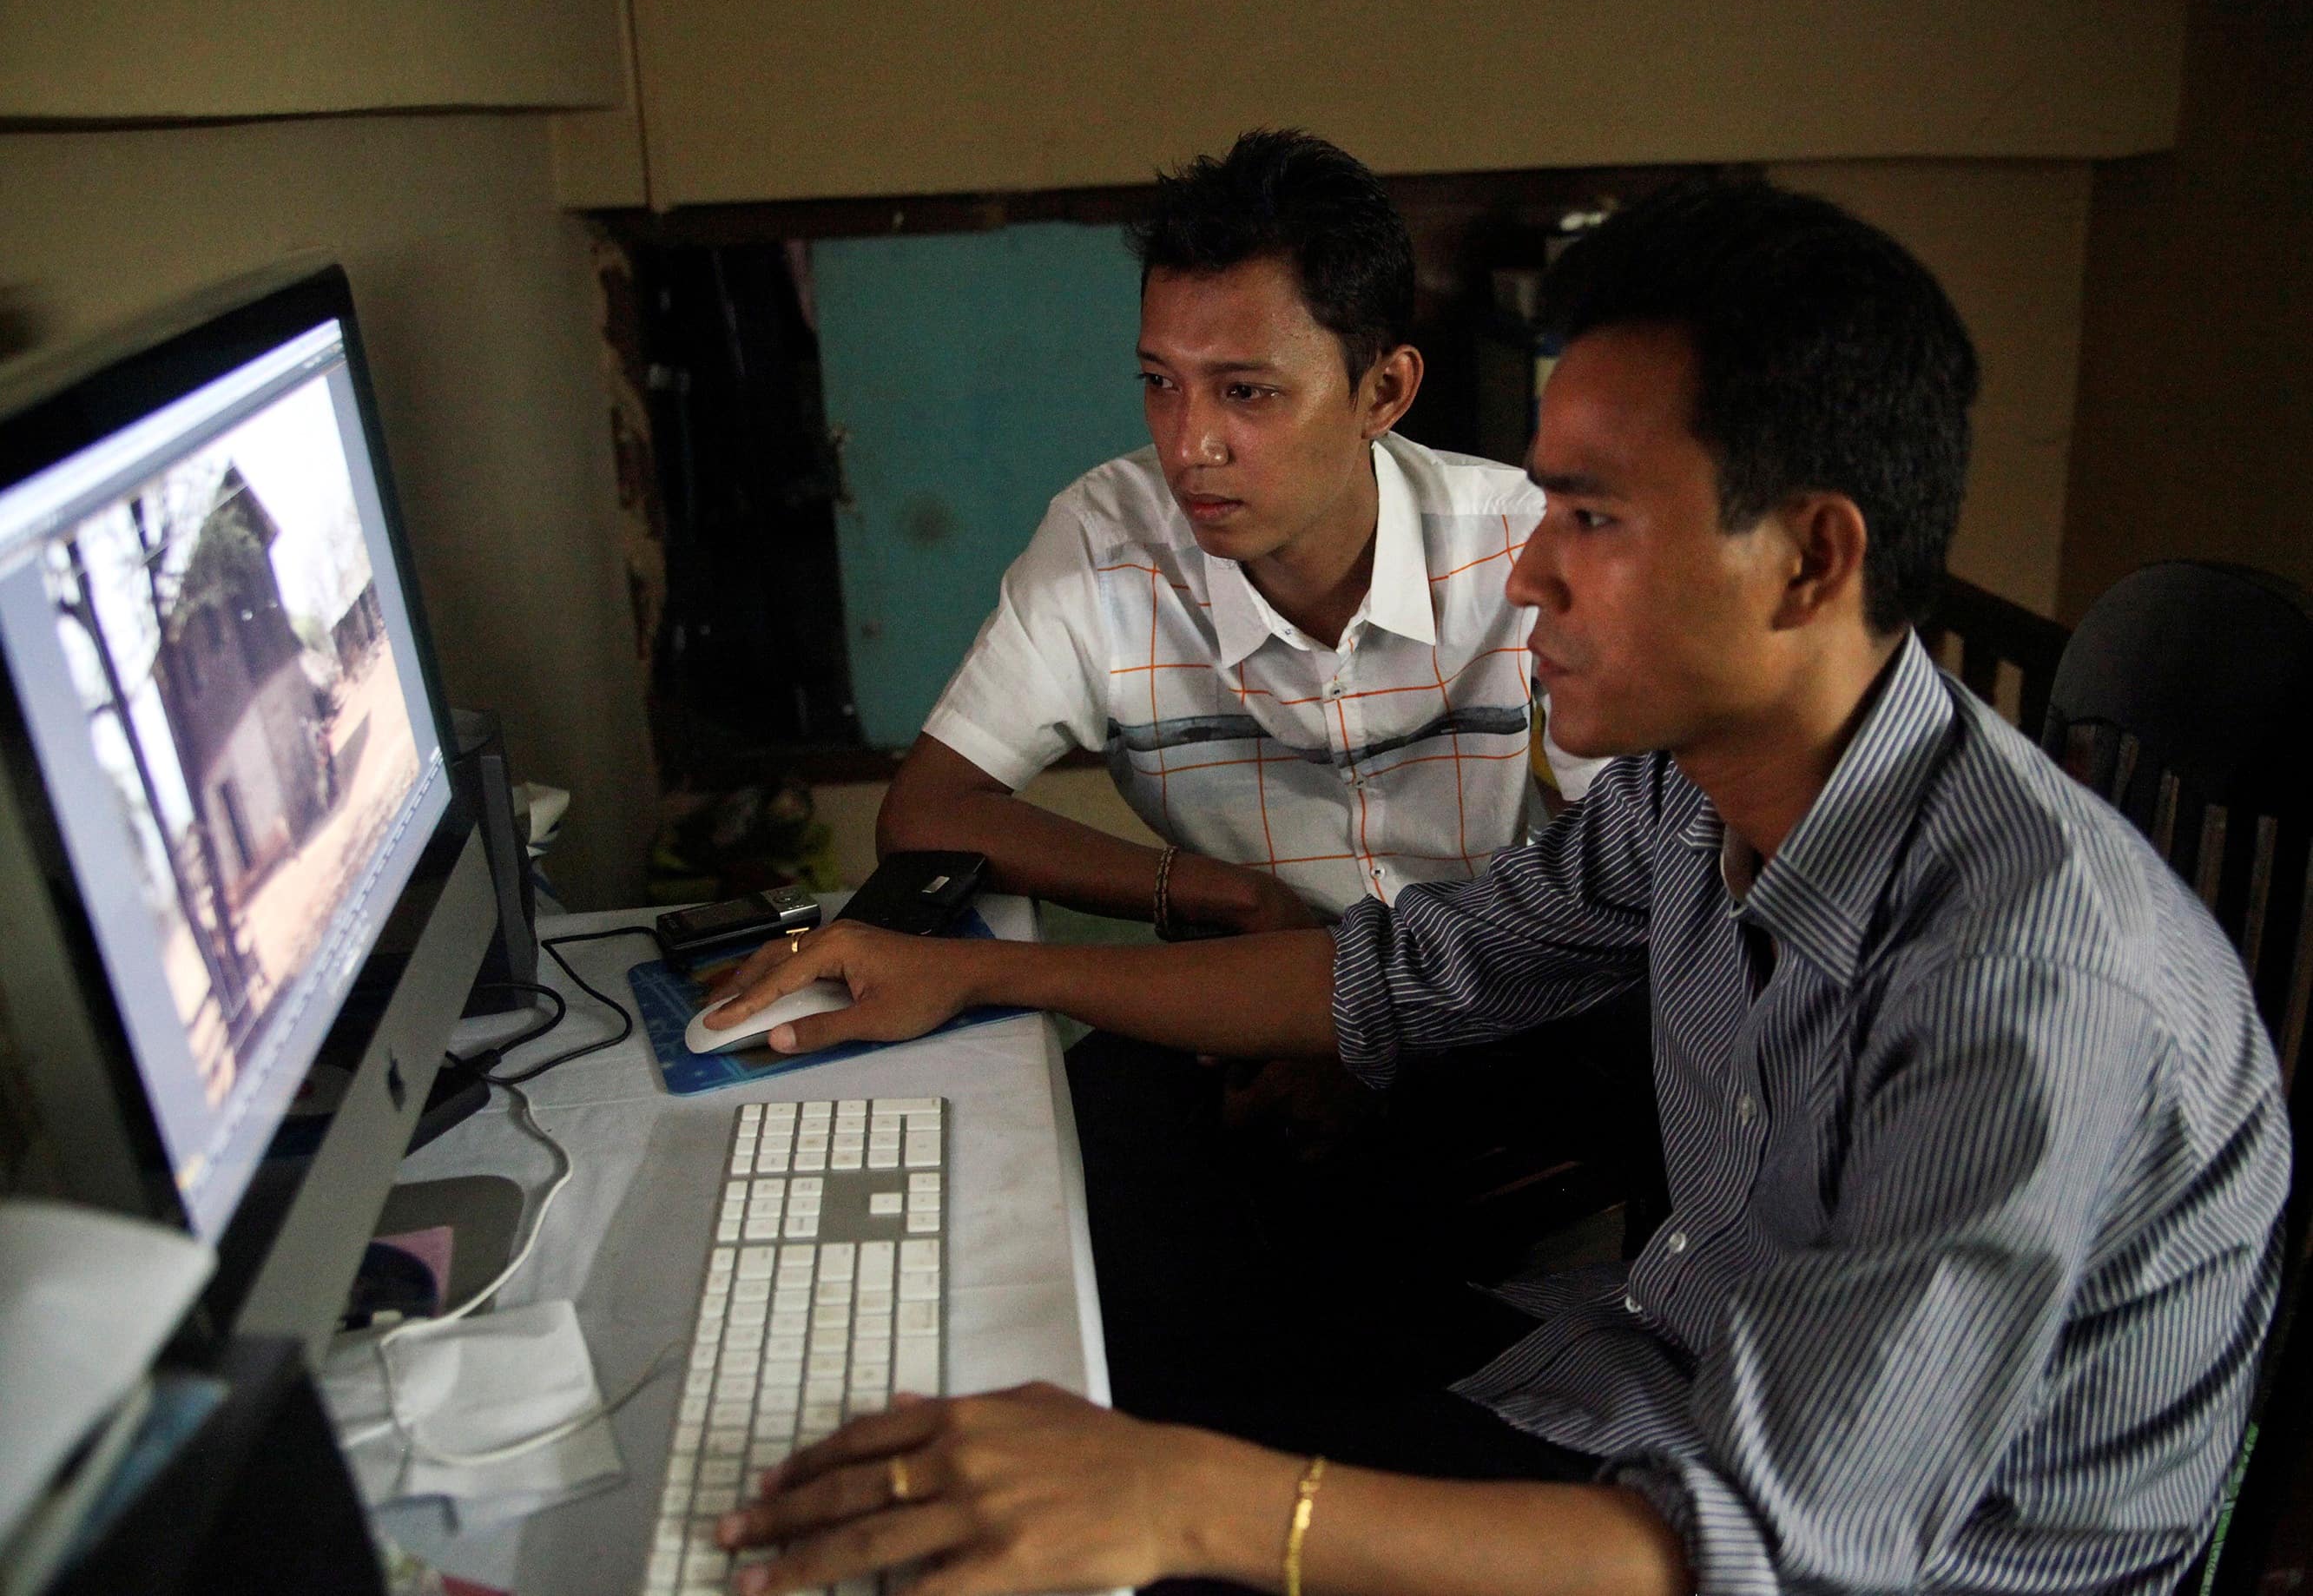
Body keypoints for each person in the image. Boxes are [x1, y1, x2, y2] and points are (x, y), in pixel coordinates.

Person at [704, 179, 2289, 1596]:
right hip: (1656, 1392)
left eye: (1589, 516)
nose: (1522, 572)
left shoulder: (2027, 979)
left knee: (1153, 1495)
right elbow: (1387, 970)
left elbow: (1771, 1546)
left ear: (1808, 562)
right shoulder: (1691, 788)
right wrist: (988, 974)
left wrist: (1194, 1502)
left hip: (1811, 1547)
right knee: (1102, 1404)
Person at [876, 127, 1599, 934]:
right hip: (1238, 1003)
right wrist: (1224, 894)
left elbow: (1619, 856)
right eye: (1159, 382)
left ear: (1384, 393)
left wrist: (1371, 1023)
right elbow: (926, 812)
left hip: (1487, 1007)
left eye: (1247, 393)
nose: (1188, 447)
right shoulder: (1106, 544)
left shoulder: (1522, 544)